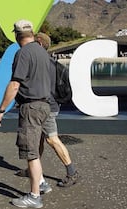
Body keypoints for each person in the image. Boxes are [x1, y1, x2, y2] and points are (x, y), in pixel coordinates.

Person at [0, 19, 51, 209]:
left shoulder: (23, 53)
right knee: (35, 146)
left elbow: (15, 84)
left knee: (31, 151)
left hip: (31, 107)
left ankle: (35, 196)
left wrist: (1, 109)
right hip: (45, 105)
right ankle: (41, 183)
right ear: (32, 33)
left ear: (17, 35)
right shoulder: (42, 51)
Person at [32, 32, 79, 189]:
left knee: (52, 139)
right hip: (52, 105)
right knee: (38, 140)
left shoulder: (41, 63)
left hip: (47, 107)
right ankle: (33, 169)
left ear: (38, 43)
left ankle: (72, 172)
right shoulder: (50, 61)